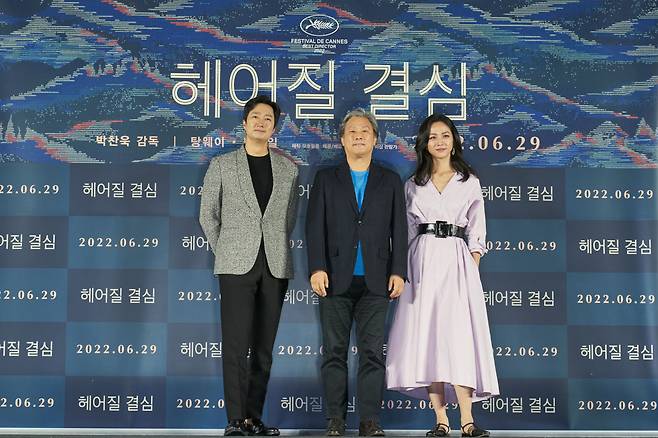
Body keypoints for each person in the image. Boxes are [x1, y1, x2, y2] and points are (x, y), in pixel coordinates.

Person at [385, 114, 499, 438]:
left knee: (459, 339)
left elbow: (478, 226)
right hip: (422, 262)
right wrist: (406, 270)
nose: (439, 141)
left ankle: (468, 419)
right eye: (433, 136)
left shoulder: (469, 181)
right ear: (424, 143)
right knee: (429, 338)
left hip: (457, 261)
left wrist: (473, 258)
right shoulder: (413, 184)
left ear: (454, 140)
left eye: (445, 135)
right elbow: (406, 231)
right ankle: (440, 419)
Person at [199, 95, 298, 436]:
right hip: (234, 265)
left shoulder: (289, 169)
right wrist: (226, 248)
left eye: (267, 118)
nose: (260, 122)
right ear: (244, 123)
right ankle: (235, 420)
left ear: (274, 126)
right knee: (236, 345)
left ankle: (254, 418)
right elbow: (208, 215)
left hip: (274, 264)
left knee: (264, 348)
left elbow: (288, 219)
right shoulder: (223, 165)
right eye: (254, 116)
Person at [305, 109, 408, 437]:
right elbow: (314, 228)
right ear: (342, 139)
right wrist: (317, 267)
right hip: (334, 278)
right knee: (333, 353)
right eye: (353, 131)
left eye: (366, 131)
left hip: (378, 281)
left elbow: (400, 230)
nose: (359, 135)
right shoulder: (325, 178)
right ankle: (335, 421)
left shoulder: (389, 179)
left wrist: (399, 271)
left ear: (375, 139)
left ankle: (369, 421)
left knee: (372, 355)